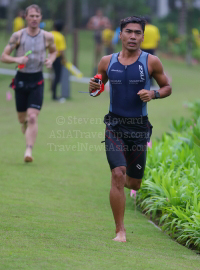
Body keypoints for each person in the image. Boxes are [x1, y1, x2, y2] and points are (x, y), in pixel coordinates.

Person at [89, 16, 172, 242]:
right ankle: (120, 230)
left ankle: (127, 177)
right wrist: (93, 87)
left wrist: (153, 94)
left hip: (139, 127)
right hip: (114, 125)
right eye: (128, 32)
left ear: (143, 36)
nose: (133, 36)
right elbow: (97, 87)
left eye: (137, 32)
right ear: (120, 34)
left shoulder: (151, 61)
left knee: (133, 182)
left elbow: (167, 87)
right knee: (117, 175)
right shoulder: (107, 61)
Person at [1, 4, 57, 162]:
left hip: (37, 79)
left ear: (41, 18)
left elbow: (54, 51)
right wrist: (16, 59)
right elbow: (3, 56)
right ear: (26, 17)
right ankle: (23, 123)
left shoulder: (47, 36)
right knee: (22, 118)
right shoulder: (17, 36)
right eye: (31, 16)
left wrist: (50, 60)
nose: (34, 19)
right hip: (21, 79)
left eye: (37, 16)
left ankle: (28, 151)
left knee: (32, 117)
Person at [87, 9, 111, 75]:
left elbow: (109, 26)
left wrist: (104, 26)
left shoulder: (105, 19)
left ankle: (102, 70)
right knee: (96, 55)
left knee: (102, 55)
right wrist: (96, 27)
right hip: (97, 37)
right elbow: (89, 26)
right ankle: (95, 70)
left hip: (103, 38)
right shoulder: (94, 19)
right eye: (98, 13)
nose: (99, 14)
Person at [51, 20, 67, 100]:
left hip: (49, 57)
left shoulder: (49, 34)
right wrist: (64, 59)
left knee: (52, 75)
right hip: (57, 58)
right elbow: (61, 51)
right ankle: (54, 95)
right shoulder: (60, 37)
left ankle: (52, 91)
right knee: (57, 77)